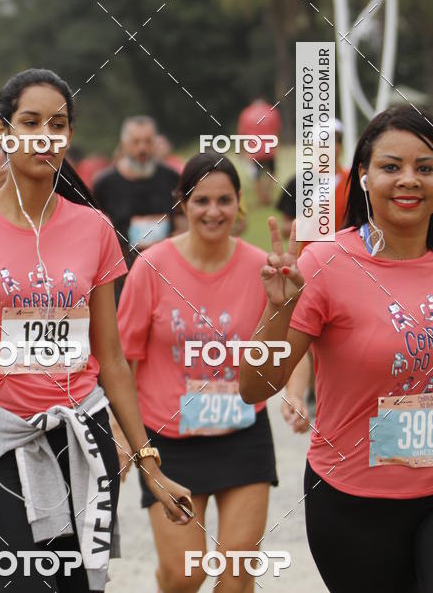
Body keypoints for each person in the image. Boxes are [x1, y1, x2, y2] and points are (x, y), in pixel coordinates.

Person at [0, 69, 192, 593]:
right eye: (30, 122)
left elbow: (110, 359)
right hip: (1, 443)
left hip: (83, 437)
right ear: (2, 132)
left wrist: (148, 462)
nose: (45, 135)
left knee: (79, 588)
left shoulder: (93, 229)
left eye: (58, 124)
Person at [240, 105, 433, 593]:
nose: (409, 180)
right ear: (362, 176)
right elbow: (254, 386)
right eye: (391, 167)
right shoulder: (328, 261)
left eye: (425, 167)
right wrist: (277, 311)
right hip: (353, 502)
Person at [115, 151, 309, 593]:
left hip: (242, 435)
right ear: (182, 203)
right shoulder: (151, 267)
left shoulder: (263, 268)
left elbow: (291, 344)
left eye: (224, 200)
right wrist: (124, 433)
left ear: (238, 203)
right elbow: (122, 359)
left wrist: (295, 392)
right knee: (186, 575)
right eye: (201, 201)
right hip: (168, 443)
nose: (213, 211)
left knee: (238, 576)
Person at [93, 117, 180, 301]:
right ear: (124, 145)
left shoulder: (172, 178)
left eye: (148, 142)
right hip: (123, 278)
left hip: (167, 275)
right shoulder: (104, 184)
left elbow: (183, 221)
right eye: (136, 142)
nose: (142, 149)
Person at [237, 99, 281, 205]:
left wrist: (241, 150)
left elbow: (241, 134)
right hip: (269, 149)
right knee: (271, 173)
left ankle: (261, 198)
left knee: (256, 176)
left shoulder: (246, 113)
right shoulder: (272, 111)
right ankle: (267, 194)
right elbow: (277, 130)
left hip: (254, 150)